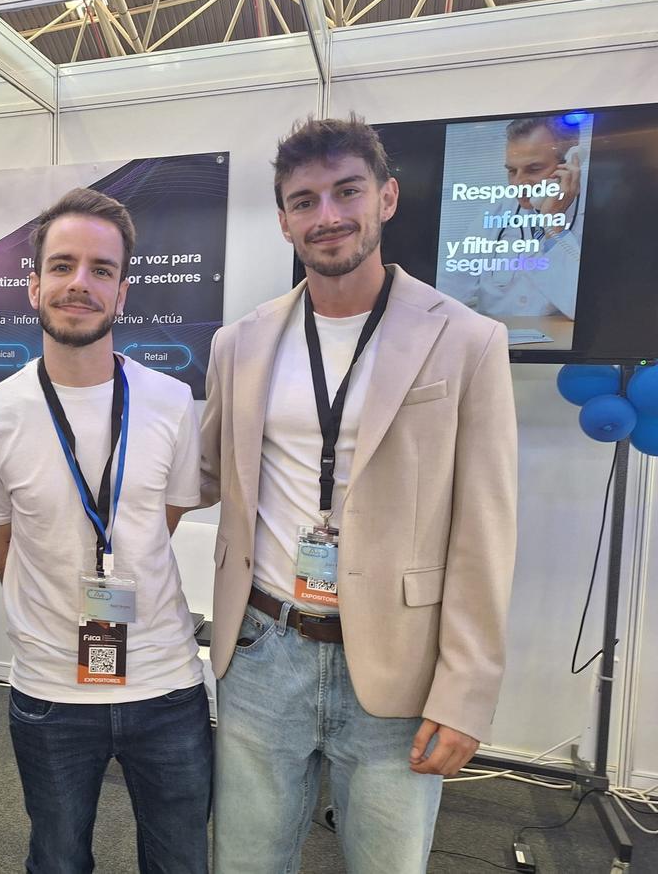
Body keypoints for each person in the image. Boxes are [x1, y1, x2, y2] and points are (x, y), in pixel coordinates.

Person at [202, 116, 518, 873]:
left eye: (347, 192)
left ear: (387, 198)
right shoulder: (239, 343)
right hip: (263, 647)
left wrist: (466, 691)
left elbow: (486, 527)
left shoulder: (467, 339)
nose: (327, 216)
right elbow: (203, 474)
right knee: (242, 862)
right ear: (284, 220)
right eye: (304, 201)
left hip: (399, 662)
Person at [0, 187, 211, 874]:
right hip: (50, 690)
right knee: (57, 858)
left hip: (165, 684)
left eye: (101, 269)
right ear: (34, 284)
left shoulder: (171, 402)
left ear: (122, 293)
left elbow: (159, 524)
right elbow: (6, 544)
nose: (81, 283)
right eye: (63, 265)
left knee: (181, 861)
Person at [438, 115, 585, 320]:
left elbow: (582, 308)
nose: (518, 183)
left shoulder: (594, 215)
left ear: (570, 163)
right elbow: (446, 290)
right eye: (512, 171)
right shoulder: (495, 213)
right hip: (497, 338)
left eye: (533, 169)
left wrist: (553, 223)